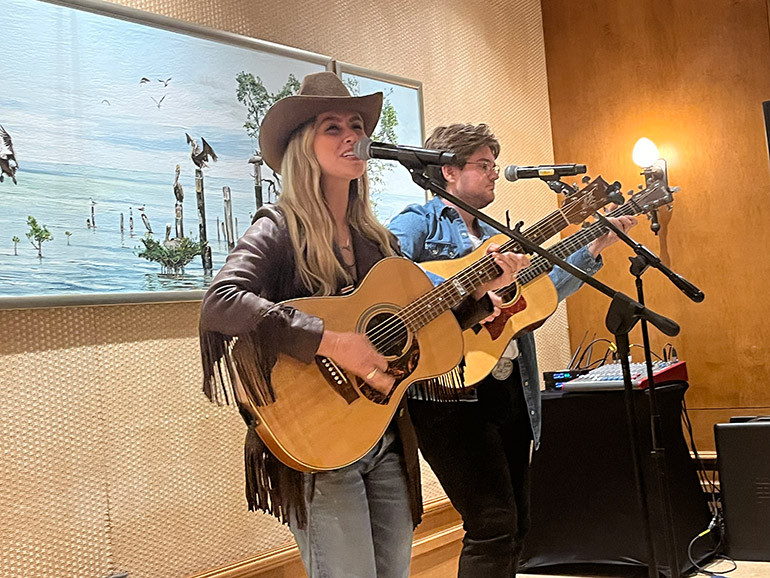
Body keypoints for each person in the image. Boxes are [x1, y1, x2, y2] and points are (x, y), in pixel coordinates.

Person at [198, 75, 527, 578]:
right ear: (303, 147)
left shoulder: (375, 240)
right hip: (320, 437)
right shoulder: (278, 227)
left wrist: (480, 294)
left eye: (357, 126)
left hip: (385, 434)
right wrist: (330, 341)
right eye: (333, 127)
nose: (352, 136)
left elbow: (418, 327)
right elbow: (221, 302)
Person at [387, 123, 637, 576]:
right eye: (484, 165)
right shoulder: (417, 222)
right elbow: (387, 275)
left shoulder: (497, 235)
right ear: (449, 171)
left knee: (519, 523)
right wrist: (470, 284)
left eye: (494, 165)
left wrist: (592, 249)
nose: (494, 174)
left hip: (509, 387)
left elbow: (539, 294)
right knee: (492, 524)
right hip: (450, 393)